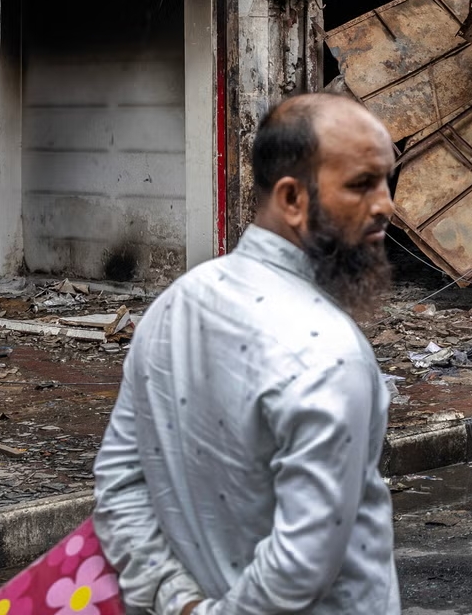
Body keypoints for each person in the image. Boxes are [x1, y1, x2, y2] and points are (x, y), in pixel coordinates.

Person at [94, 93, 400, 615]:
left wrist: (179, 602)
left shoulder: (174, 305)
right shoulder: (328, 356)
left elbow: (118, 486)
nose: (386, 205)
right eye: (361, 185)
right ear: (291, 199)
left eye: (387, 182)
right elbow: (299, 568)